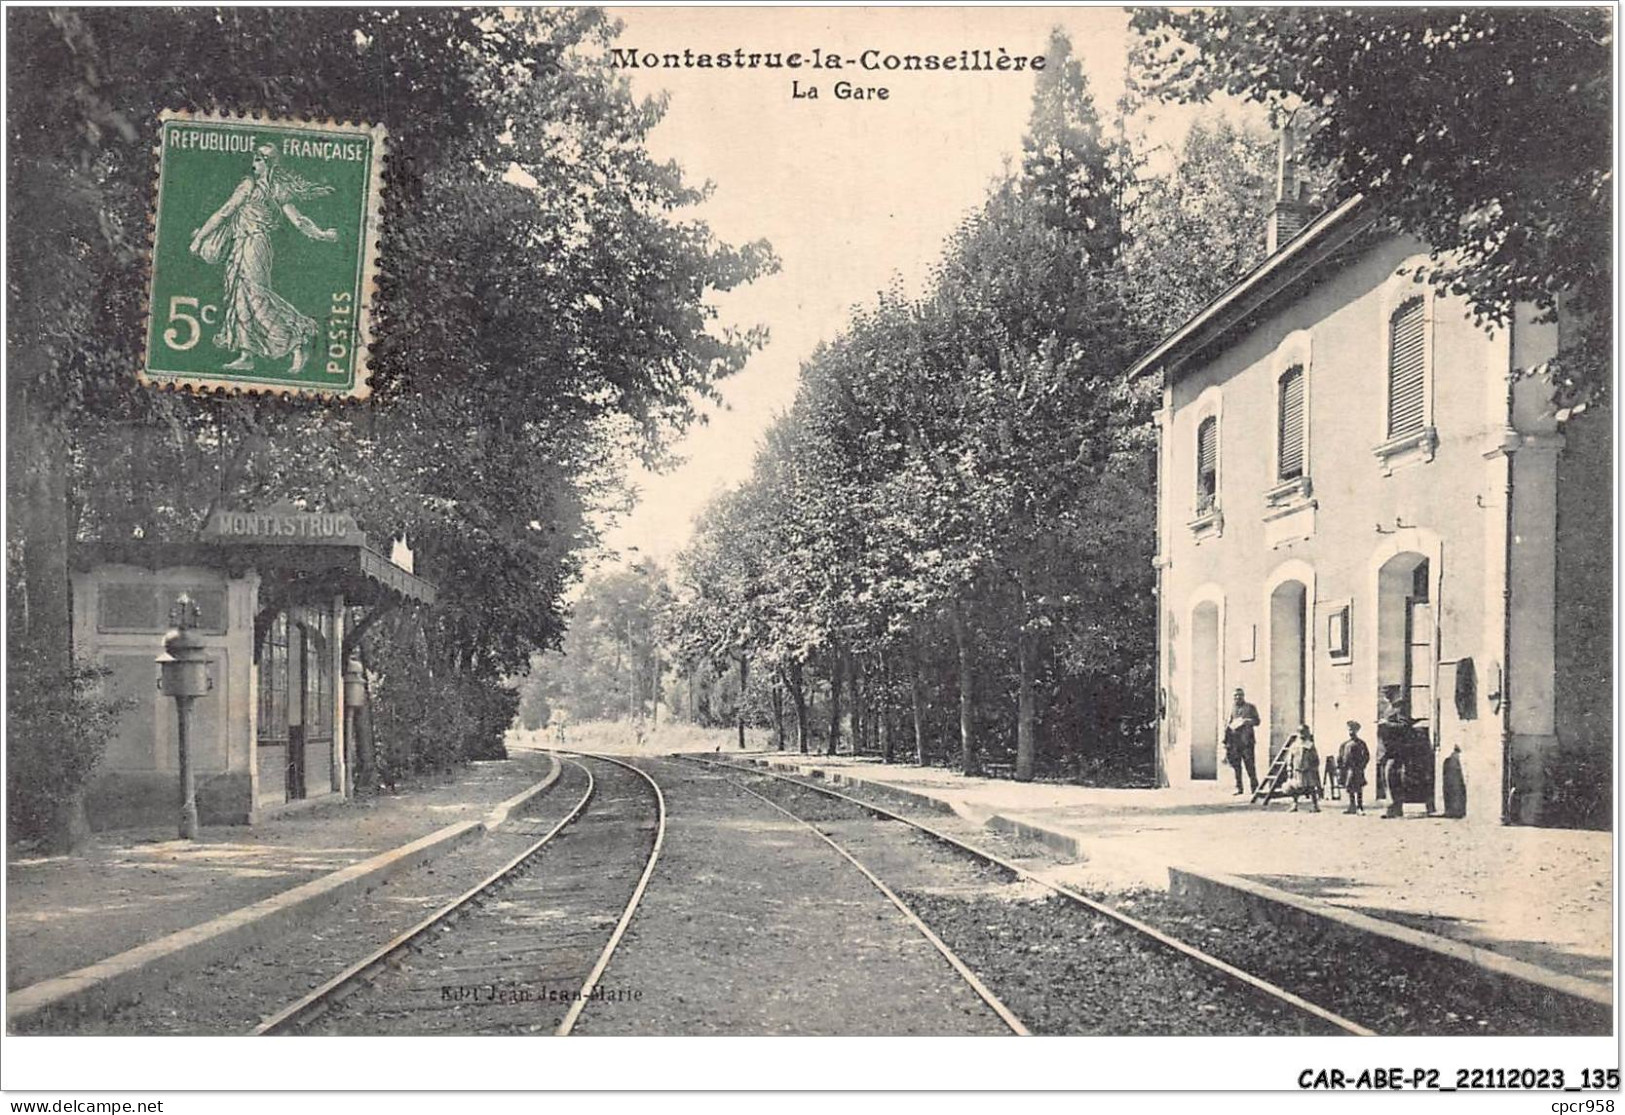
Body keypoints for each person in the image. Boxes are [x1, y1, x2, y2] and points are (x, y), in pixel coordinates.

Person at [189, 144, 337, 374]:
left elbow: (227, 211)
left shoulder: (265, 187)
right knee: (239, 296)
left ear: (267, 162)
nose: (253, 164)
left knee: (256, 296)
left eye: (257, 160)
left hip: (255, 245)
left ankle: (296, 343)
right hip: (241, 244)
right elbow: (227, 211)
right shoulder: (256, 185)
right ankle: (247, 354)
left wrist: (321, 234)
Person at [1223, 688, 1261, 796]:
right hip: (1235, 742)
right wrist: (1226, 741)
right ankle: (1239, 787)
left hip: (1247, 742)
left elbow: (1257, 721)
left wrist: (1248, 721)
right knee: (1236, 766)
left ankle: (1254, 788)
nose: (1237, 698)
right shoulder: (1232, 709)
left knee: (1250, 765)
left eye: (1239, 695)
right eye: (1235, 696)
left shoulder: (1250, 707)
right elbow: (1228, 724)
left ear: (1243, 696)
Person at [1284, 724, 1321, 812]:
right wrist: (1289, 768)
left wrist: (1314, 767)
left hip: (1308, 770)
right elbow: (1290, 758)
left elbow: (1315, 758)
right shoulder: (1294, 745)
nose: (1302, 735)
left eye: (1304, 733)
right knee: (1295, 788)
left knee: (1311, 788)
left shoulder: (1310, 745)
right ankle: (1295, 804)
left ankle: (1315, 805)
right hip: (1297, 770)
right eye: (1301, 733)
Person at [1338, 720, 1371, 814]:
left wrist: (1362, 765)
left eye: (1353, 730)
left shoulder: (1361, 743)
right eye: (1349, 730)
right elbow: (1340, 756)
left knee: (1358, 787)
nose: (1351, 732)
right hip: (1347, 769)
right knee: (1349, 787)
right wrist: (1340, 766)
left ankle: (1360, 807)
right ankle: (1352, 806)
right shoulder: (1344, 744)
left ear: (1357, 731)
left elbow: (1366, 756)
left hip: (1357, 768)